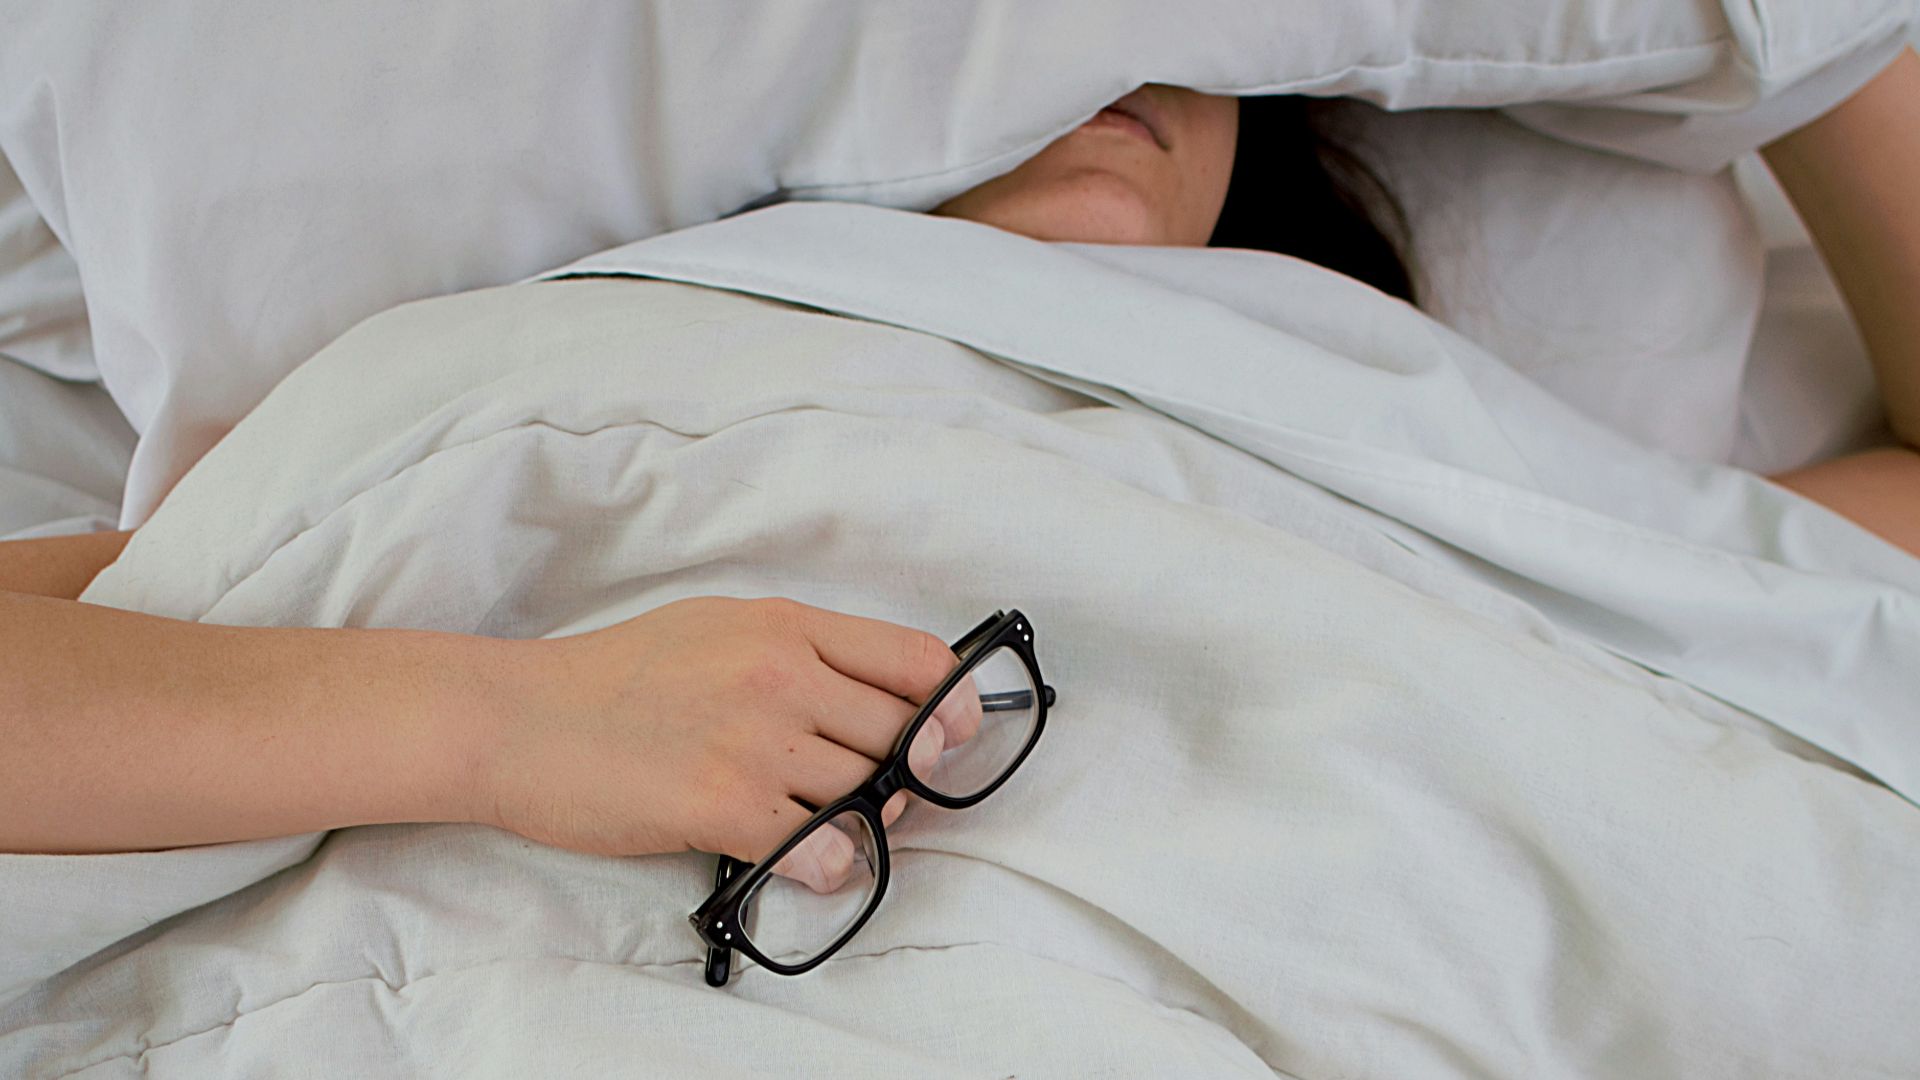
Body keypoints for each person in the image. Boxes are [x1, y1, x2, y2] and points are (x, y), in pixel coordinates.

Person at [3, 58, 1917, 879]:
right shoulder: (578, 383)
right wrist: (509, 725)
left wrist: (1823, 44)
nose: (1102, 54)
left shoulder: (1413, 442)